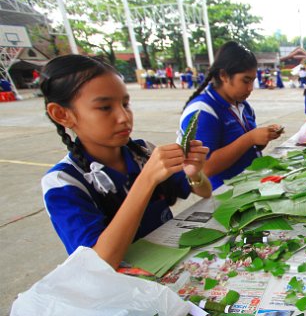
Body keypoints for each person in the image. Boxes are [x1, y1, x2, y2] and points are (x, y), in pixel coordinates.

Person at [40, 55, 212, 268]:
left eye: (125, 104)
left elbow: (205, 191)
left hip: (172, 264)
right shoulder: (63, 182)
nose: (124, 117)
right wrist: (146, 180)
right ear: (62, 114)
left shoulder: (143, 151)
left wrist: (194, 173)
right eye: (105, 107)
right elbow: (99, 262)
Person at [178, 41, 284, 190]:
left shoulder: (242, 105)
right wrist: (250, 138)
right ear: (224, 75)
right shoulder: (202, 111)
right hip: (224, 193)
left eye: (253, 81)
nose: (250, 88)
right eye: (245, 81)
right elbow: (204, 168)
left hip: (250, 185)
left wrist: (263, 138)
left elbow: (248, 148)